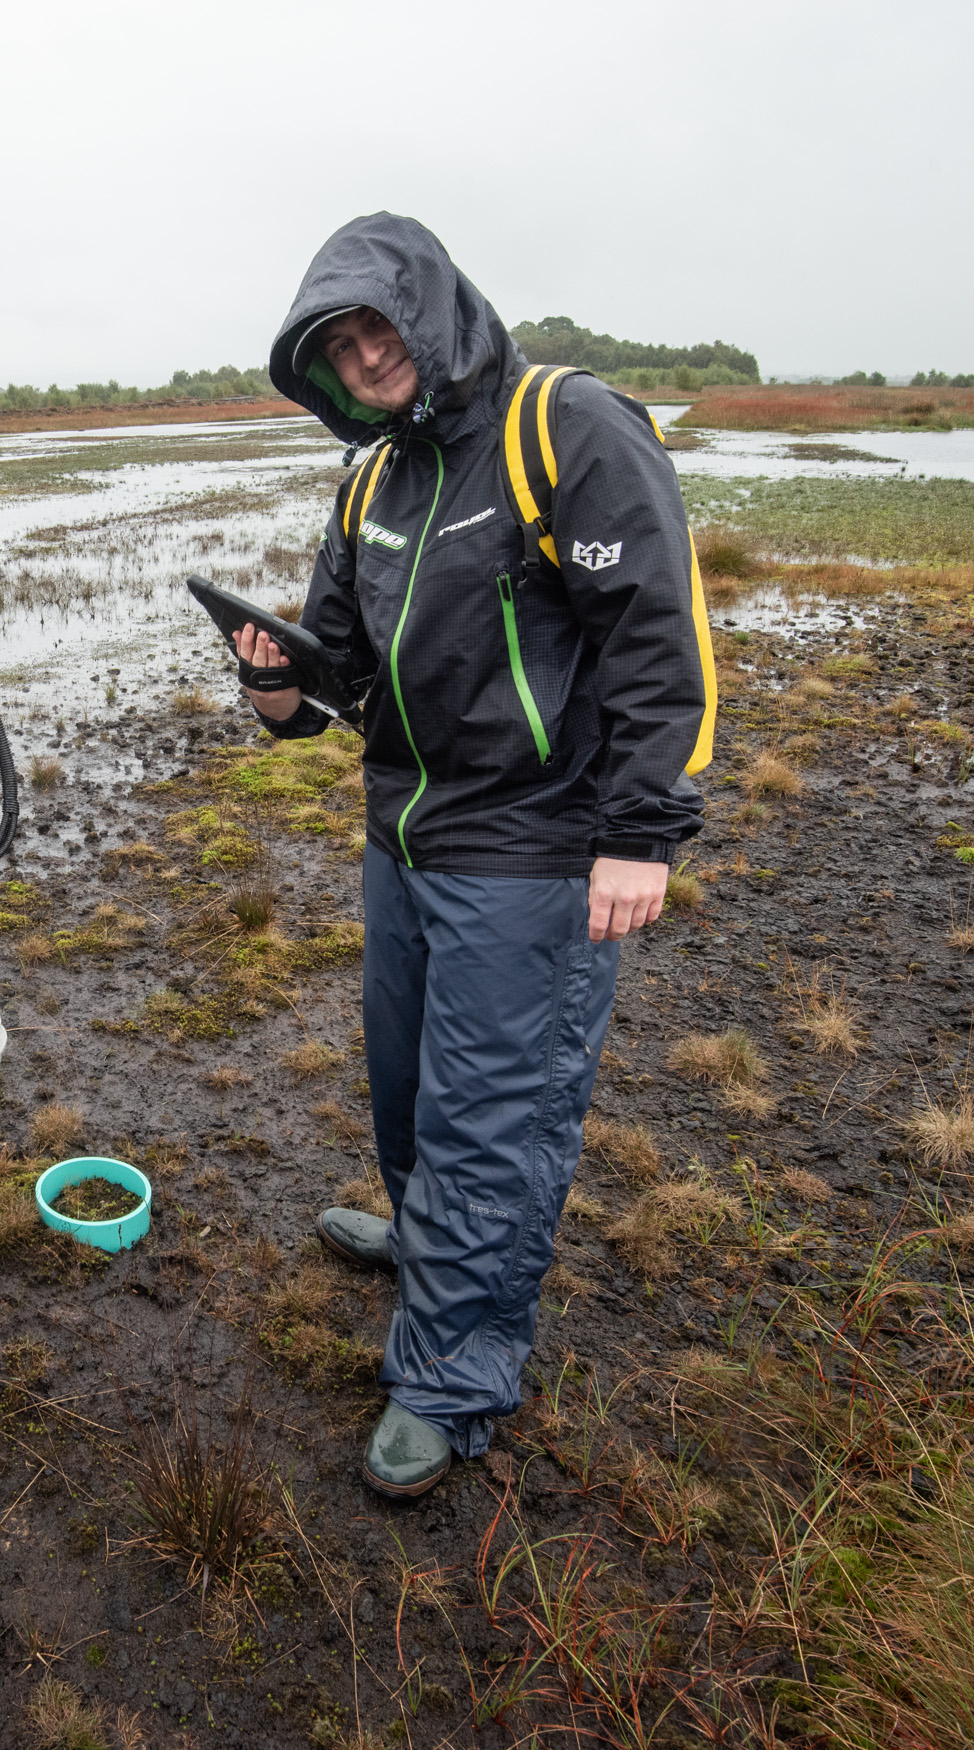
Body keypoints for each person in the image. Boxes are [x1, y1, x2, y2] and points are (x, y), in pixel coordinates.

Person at [237, 213, 714, 1498]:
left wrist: (639, 835)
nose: (363, 354)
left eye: (377, 323)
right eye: (336, 342)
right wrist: (277, 690)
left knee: (491, 1117)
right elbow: (335, 671)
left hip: (539, 847)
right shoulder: (369, 480)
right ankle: (423, 1243)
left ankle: (454, 1377)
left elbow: (658, 643)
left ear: (432, 309)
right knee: (406, 1088)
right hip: (404, 835)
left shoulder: (563, 427)